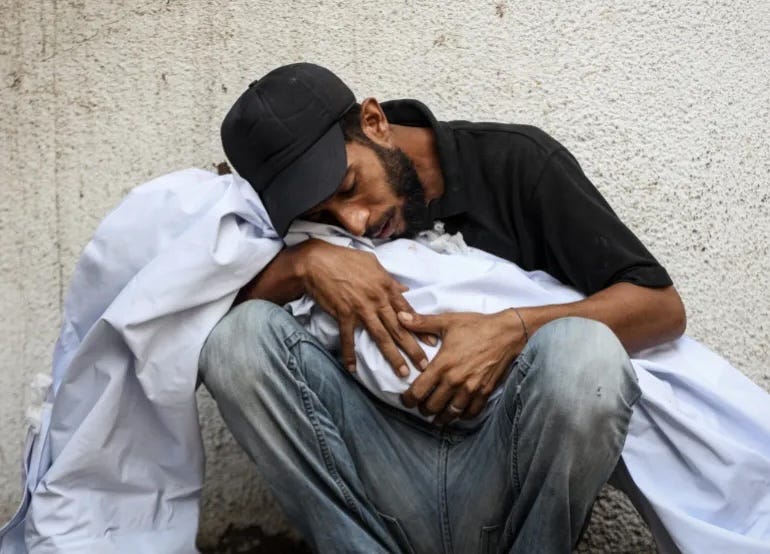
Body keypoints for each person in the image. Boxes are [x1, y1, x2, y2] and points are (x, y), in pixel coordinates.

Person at [198, 62, 686, 553]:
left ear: (374, 122)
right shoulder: (303, 241)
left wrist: (512, 330)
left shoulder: (516, 163)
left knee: (587, 354)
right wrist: (303, 264)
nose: (356, 222)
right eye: (320, 216)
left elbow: (661, 308)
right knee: (235, 341)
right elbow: (185, 329)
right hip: (378, 465)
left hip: (508, 459)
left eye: (348, 186)